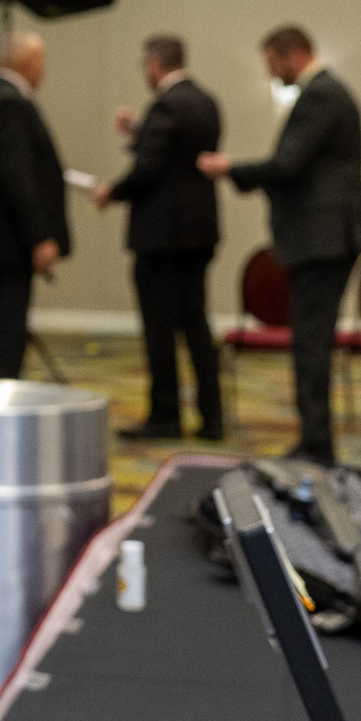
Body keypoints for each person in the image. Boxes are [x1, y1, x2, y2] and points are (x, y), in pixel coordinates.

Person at [200, 25, 361, 465]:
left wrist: (230, 169)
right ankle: (314, 439)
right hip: (327, 237)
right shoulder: (328, 93)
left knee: (311, 344)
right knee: (311, 341)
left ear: (292, 54)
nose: (271, 74)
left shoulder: (321, 95)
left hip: (324, 238)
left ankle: (316, 445)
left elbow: (287, 164)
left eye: (273, 64)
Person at [95, 35, 225, 440]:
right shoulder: (206, 102)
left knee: (159, 328)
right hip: (199, 233)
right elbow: (178, 157)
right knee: (196, 322)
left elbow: (150, 169)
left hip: (163, 238)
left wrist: (112, 192)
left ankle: (165, 415)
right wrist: (140, 134)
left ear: (155, 64)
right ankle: (212, 416)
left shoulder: (165, 105)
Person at [0, 31, 70, 379]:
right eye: (42, 61)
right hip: (10, 242)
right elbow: (16, 176)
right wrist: (38, 236)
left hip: (2, 240)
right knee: (5, 336)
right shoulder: (11, 103)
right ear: (30, 62)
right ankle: (0, 400)